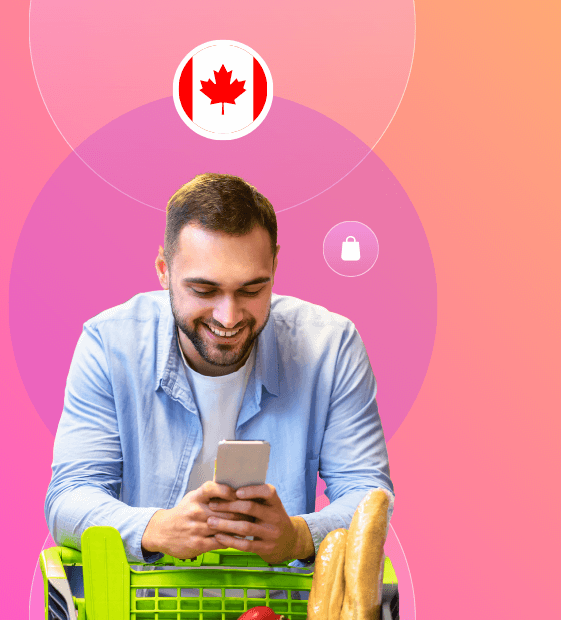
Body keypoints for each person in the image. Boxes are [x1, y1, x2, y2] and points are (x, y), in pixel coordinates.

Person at [44, 173, 392, 567]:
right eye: (204, 291)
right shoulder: (110, 345)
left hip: (278, 605)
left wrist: (298, 537)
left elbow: (369, 497)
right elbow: (69, 497)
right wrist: (157, 528)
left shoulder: (332, 347)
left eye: (251, 289)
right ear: (164, 271)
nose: (228, 318)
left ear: (275, 267)